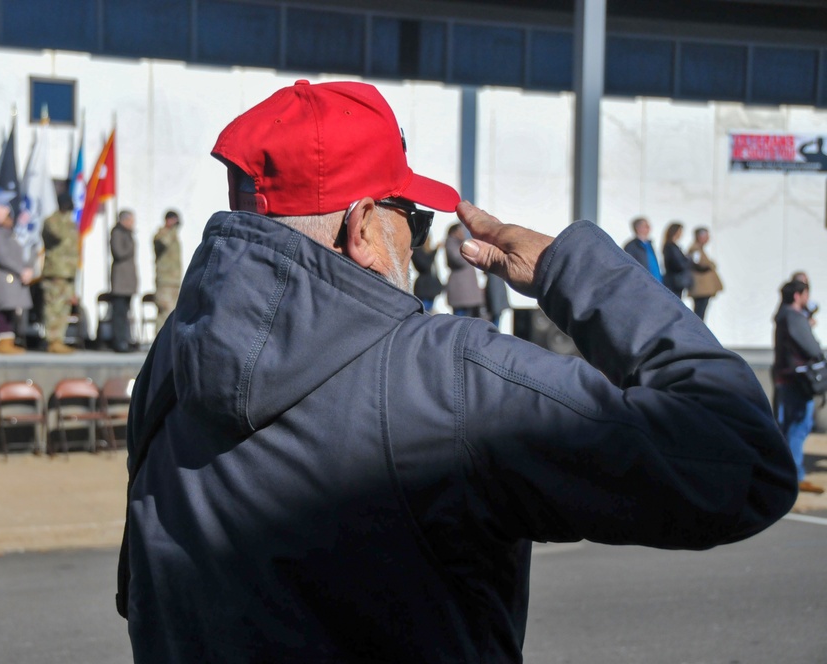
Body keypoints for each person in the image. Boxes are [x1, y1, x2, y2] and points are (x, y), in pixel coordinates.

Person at [121, 80, 797, 663]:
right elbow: (741, 459)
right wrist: (575, 272)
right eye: (408, 214)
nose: (413, 241)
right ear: (362, 227)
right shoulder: (452, 380)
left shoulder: (173, 363)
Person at [773, 279, 825, 495]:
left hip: (786, 378)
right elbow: (811, 348)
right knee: (799, 427)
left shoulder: (783, 315)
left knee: (787, 426)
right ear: (797, 296)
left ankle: (783, 473)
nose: (808, 298)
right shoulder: (793, 317)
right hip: (797, 380)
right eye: (805, 293)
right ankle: (794, 476)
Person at [0, 195, 33, 354]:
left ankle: (9, 341)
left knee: (11, 309)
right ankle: (3, 342)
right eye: (7, 216)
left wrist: (27, 268)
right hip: (2, 278)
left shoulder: (10, 234)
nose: (11, 220)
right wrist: (21, 271)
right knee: (2, 309)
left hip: (14, 278)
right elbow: (3, 257)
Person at [40, 192, 79, 354]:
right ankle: (52, 340)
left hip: (68, 272)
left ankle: (60, 339)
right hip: (55, 271)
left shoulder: (71, 223)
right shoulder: (52, 221)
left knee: (64, 307)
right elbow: (57, 235)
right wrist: (63, 218)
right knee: (53, 307)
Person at [109, 209, 138, 353]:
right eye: (130, 220)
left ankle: (126, 340)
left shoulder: (127, 234)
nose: (133, 224)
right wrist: (130, 244)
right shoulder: (117, 233)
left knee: (126, 313)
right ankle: (119, 341)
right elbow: (119, 252)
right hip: (120, 282)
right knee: (119, 314)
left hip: (128, 282)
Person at [445, 222, 484, 316]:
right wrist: (469, 249)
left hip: (468, 293)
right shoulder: (451, 243)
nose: (463, 233)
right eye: (461, 230)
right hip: (460, 291)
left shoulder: (459, 244)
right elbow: (458, 259)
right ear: (454, 232)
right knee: (460, 320)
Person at [152, 209, 182, 329]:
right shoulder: (161, 234)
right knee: (165, 312)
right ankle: (159, 343)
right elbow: (163, 244)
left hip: (174, 281)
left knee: (173, 313)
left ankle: (169, 344)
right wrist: (172, 230)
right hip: (164, 281)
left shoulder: (174, 237)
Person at [687, 226, 723, 320]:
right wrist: (709, 266)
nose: (708, 238)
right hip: (700, 289)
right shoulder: (695, 249)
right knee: (699, 313)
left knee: (701, 312)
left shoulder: (699, 249)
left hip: (703, 289)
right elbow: (697, 264)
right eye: (706, 235)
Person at [661, 221, 698, 298]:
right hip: (673, 281)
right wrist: (688, 261)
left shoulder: (674, 246)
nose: (681, 234)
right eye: (680, 231)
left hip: (676, 281)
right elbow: (678, 264)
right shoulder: (670, 247)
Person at [623, 216, 662, 282]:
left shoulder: (649, 244)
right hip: (642, 283)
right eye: (646, 226)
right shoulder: (631, 246)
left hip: (655, 283)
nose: (649, 228)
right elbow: (629, 266)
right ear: (638, 228)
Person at [411, 236, 443, 312]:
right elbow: (425, 266)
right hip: (423, 288)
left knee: (430, 311)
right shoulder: (417, 251)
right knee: (424, 311)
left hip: (432, 288)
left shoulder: (429, 252)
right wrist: (435, 251)